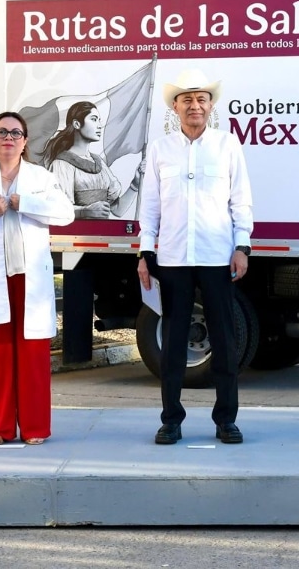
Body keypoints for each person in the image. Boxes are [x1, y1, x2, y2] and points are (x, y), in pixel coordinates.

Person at [137, 69, 253, 445]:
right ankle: (171, 419)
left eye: (201, 98)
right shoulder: (160, 149)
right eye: (187, 99)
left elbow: (241, 201)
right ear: (175, 106)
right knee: (172, 344)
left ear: (210, 104)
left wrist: (242, 246)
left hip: (217, 257)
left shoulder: (227, 145)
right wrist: (145, 251)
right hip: (171, 259)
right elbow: (150, 206)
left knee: (224, 339)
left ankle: (226, 420)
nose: (195, 105)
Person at [0, 112, 74, 446]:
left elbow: (65, 213)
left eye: (15, 133)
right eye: (1, 132)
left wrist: (26, 203)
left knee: (33, 353)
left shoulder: (39, 176)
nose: (8, 138)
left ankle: (34, 427)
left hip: (29, 277)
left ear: (24, 142)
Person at [41, 101, 143, 219]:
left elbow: (117, 210)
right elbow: (57, 209)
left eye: (99, 120)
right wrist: (84, 211)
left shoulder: (98, 162)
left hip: (102, 235)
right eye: (94, 119)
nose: (99, 125)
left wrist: (135, 184)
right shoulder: (61, 164)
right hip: (75, 235)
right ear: (77, 124)